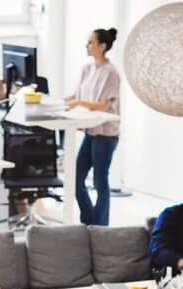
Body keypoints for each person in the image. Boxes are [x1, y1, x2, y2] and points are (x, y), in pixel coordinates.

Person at [65, 28, 121, 227]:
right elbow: (75, 96)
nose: (87, 46)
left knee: (99, 182)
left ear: (102, 46)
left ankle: (100, 227)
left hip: (106, 134)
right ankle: (90, 220)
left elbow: (102, 106)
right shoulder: (86, 69)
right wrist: (57, 102)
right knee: (75, 178)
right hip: (90, 132)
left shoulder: (111, 73)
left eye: (91, 42)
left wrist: (78, 103)